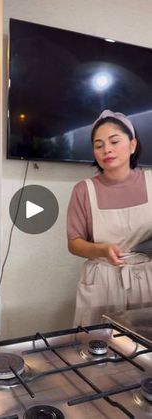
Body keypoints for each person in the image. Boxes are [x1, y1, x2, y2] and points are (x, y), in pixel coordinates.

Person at [67, 109, 152, 326]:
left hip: (147, 279)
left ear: (132, 145)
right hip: (101, 282)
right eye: (99, 145)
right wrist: (102, 249)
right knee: (97, 349)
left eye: (114, 141)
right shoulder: (83, 190)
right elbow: (74, 244)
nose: (107, 149)